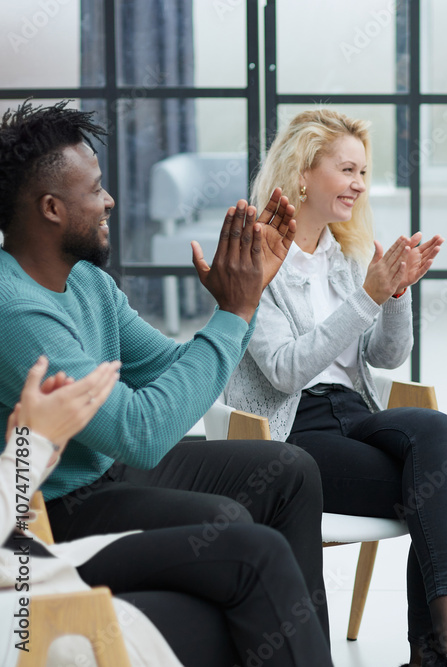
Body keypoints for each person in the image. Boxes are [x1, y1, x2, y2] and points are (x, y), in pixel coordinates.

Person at [0, 101, 331, 639]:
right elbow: (142, 432)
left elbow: (176, 370)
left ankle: (303, 647)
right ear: (51, 208)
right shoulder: (15, 310)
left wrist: (243, 300)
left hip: (107, 471)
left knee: (291, 472)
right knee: (239, 535)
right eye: (95, 188)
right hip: (52, 510)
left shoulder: (87, 282)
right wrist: (234, 312)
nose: (109, 200)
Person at [224, 109, 447, 667]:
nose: (359, 184)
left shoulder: (346, 256)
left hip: (354, 414)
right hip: (294, 434)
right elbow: (286, 371)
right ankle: (438, 652)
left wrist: (397, 293)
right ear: (301, 175)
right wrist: (368, 295)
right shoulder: (256, 264)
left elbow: (386, 355)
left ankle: (444, 648)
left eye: (363, 172)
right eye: (346, 170)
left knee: (435, 429)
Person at [1, 356, 333, 667]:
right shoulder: (17, 307)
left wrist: (36, 444)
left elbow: (164, 365)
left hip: (32, 559)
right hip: (28, 604)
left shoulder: (92, 291)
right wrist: (34, 443)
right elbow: (137, 428)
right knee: (256, 585)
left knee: (278, 498)